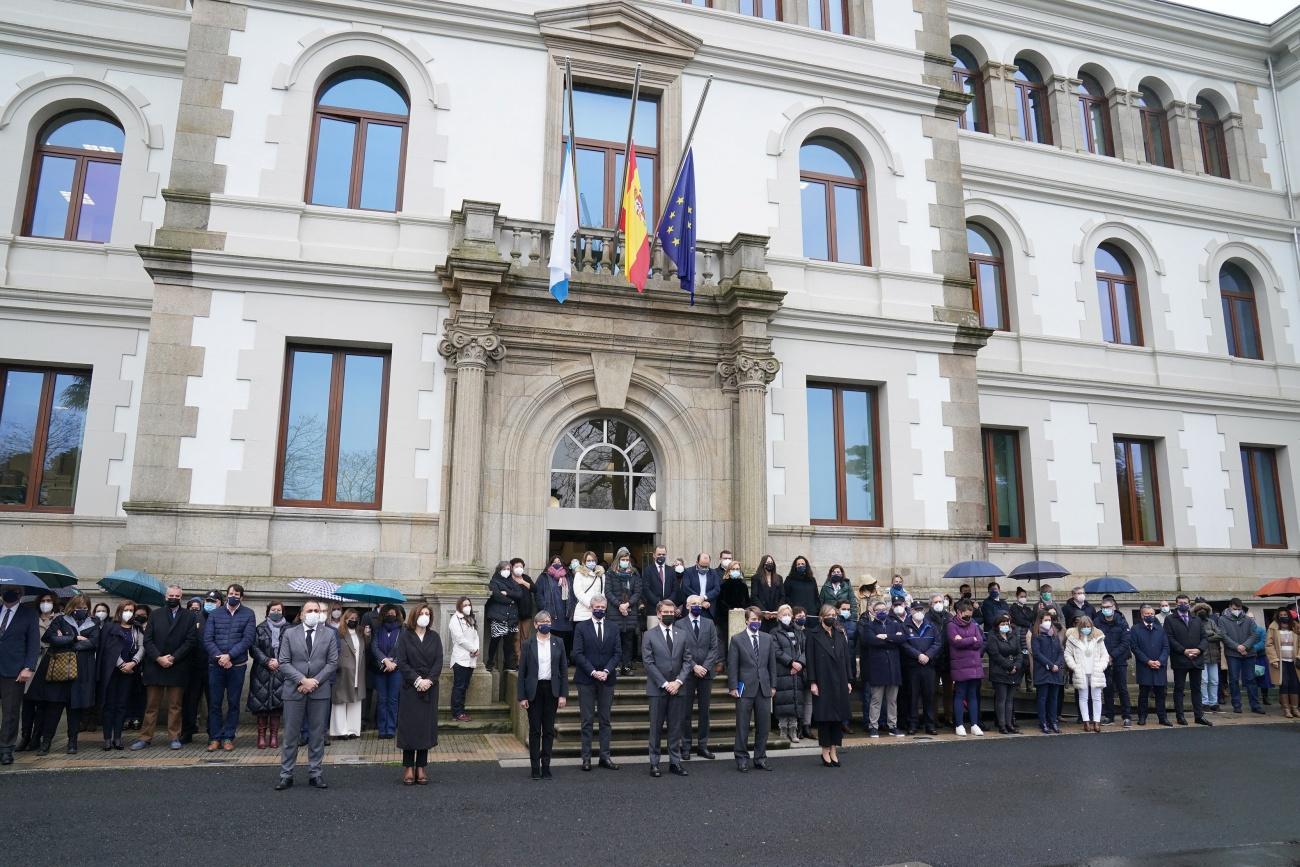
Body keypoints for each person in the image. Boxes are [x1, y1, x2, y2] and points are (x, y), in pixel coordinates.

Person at [274, 599, 338, 791]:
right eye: (309, 610)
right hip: (294, 690)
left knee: (317, 734)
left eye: (316, 610)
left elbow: (332, 663)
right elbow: (283, 662)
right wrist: (303, 680)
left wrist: (314, 682)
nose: (313, 613)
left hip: (320, 691)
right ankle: (286, 774)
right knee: (291, 735)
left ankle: (315, 773)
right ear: (301, 614)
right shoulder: (289, 633)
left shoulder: (329, 634)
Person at [29, 594, 99, 754]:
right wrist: (74, 638)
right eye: (78, 607)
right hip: (59, 671)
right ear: (72, 607)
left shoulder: (94, 622)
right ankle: (46, 743)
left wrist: (65, 640)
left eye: (85, 607)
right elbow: (49, 638)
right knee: (53, 708)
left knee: (75, 709)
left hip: (81, 672)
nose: (81, 610)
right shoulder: (60, 619)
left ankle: (72, 743)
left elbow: (93, 643)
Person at [202, 583, 256, 752]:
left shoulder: (248, 613)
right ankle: (215, 738)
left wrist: (230, 656)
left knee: (233, 703)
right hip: (216, 665)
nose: (234, 596)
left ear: (242, 597)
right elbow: (208, 639)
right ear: (226, 595)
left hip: (237, 665)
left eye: (237, 594)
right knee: (215, 703)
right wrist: (220, 657)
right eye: (231, 593)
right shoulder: (215, 613)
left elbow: (248, 639)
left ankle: (228, 737)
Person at [642, 599, 692, 777]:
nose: (669, 615)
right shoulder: (649, 635)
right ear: (658, 614)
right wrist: (665, 683)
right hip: (658, 689)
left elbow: (688, 661)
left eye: (672, 612)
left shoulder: (682, 634)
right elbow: (648, 663)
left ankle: (675, 762)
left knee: (675, 727)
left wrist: (678, 682)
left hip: (678, 689)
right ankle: (654, 763)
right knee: (655, 728)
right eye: (666, 612)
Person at [517, 609, 569, 780]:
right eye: (542, 622)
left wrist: (563, 695)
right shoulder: (527, 644)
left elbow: (563, 670)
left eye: (547, 621)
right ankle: (534, 767)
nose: (545, 624)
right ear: (536, 625)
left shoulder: (558, 642)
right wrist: (522, 696)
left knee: (548, 730)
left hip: (552, 690)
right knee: (534, 730)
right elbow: (522, 672)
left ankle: (546, 765)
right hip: (534, 690)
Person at [395, 602, 443, 786]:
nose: (425, 616)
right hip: (410, 687)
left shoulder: (435, 637)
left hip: (430, 688)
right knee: (409, 728)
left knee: (425, 728)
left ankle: (421, 766)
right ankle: (408, 767)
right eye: (422, 613)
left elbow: (439, 661)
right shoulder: (405, 637)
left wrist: (429, 680)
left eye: (427, 613)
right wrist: (417, 680)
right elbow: (402, 662)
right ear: (415, 616)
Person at [572, 594, 619, 771]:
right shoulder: (581, 628)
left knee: (605, 720)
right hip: (586, 679)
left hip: (607, 679)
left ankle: (605, 757)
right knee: (587, 720)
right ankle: (586, 758)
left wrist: (606, 671)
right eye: (596, 607)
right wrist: (593, 671)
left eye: (602, 607)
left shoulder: (613, 627)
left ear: (606, 608)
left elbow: (617, 653)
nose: (599, 610)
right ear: (591, 608)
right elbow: (577, 653)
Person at [728, 607, 778, 772]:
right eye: (753, 619)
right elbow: (733, 665)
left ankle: (760, 758)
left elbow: (772, 665)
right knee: (742, 725)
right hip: (744, 688)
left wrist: (773, 685)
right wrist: (733, 687)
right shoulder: (737, 639)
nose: (756, 622)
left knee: (763, 726)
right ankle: (741, 758)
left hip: (763, 688)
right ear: (746, 620)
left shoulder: (768, 638)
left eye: (758, 620)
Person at [806, 604, 852, 767]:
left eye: (834, 614)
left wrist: (848, 680)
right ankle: (825, 750)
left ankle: (834, 748)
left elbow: (846, 658)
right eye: (829, 614)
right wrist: (812, 682)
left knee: (838, 717)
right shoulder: (813, 634)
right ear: (821, 617)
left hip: (839, 680)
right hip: (823, 680)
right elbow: (810, 660)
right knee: (825, 718)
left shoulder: (839, 634)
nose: (832, 617)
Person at [0, 583, 40, 765]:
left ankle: (6, 749)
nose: (9, 593)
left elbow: (33, 644)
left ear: (21, 593)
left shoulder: (28, 614)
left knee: (10, 712)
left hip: (14, 671)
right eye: (5, 590)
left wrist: (28, 667)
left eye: (14, 591)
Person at [678, 593, 720, 760]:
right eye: (693, 603)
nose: (697, 606)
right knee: (685, 712)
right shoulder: (679, 624)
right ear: (687, 606)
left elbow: (714, 648)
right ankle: (686, 745)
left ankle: (703, 745)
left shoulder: (709, 624)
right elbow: (680, 649)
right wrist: (694, 666)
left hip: (706, 673)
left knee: (704, 711)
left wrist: (704, 666)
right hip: (687, 673)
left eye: (699, 603)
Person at [98, 601, 143, 750]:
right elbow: (108, 648)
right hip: (112, 671)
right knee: (109, 705)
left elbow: (142, 647)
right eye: (125, 610)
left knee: (122, 705)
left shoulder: (137, 628)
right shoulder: (110, 627)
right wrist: (122, 664)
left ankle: (117, 737)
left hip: (130, 671)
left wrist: (133, 663)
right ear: (119, 611)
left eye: (131, 610)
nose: (128, 612)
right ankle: (107, 738)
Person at [1165, 594, 1212, 726]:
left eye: (1185, 602)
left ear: (1189, 604)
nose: (1183, 605)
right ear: (1176, 604)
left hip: (1197, 659)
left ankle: (1199, 715)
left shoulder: (1196, 619)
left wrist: (1199, 649)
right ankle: (1180, 716)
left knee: (1196, 688)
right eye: (1180, 603)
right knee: (1179, 689)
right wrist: (1183, 651)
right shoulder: (1170, 619)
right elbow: (1169, 638)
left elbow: (1204, 637)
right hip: (1180, 659)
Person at [246, 600, 287, 751]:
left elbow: (292, 647)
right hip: (261, 671)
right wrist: (267, 661)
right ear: (268, 611)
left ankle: (274, 736)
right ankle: (261, 736)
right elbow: (254, 648)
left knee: (277, 706)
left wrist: (280, 661)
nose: (276, 612)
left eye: (279, 610)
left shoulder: (288, 629)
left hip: (281, 671)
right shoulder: (260, 628)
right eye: (273, 610)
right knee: (262, 706)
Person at [862, 598, 905, 737]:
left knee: (892, 700)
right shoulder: (869, 626)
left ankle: (892, 725)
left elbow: (901, 639)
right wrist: (891, 639)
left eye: (883, 610)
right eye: (878, 610)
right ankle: (873, 726)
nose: (881, 612)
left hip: (893, 668)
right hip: (878, 668)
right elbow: (871, 641)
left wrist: (885, 636)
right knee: (876, 700)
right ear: (873, 612)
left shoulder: (895, 624)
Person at [179, 592, 215, 744]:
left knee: (213, 702)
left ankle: (213, 733)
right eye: (208, 600)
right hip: (194, 667)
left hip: (213, 667)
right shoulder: (194, 618)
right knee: (190, 702)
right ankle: (187, 731)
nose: (210, 603)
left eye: (213, 601)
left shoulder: (219, 617)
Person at [902, 601, 942, 736]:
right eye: (916, 609)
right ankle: (913, 724)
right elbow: (904, 644)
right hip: (913, 666)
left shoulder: (931, 625)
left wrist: (928, 655)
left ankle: (929, 725)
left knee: (929, 696)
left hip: (928, 666)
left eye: (921, 609)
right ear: (911, 611)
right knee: (912, 696)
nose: (919, 612)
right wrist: (918, 655)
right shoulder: (905, 626)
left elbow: (937, 643)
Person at [1065, 616, 1109, 732]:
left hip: (1095, 671)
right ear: (1079, 627)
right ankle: (1086, 721)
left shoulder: (1098, 637)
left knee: (1097, 698)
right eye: (1084, 627)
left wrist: (1101, 666)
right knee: (1083, 698)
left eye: (1088, 627)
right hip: (1081, 672)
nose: (1086, 629)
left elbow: (1105, 654)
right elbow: (1068, 654)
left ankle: (1096, 721)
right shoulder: (1073, 638)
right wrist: (1074, 667)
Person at [1220, 597, 1263, 715]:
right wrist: (1237, 647)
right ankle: (1237, 705)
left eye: (1239, 608)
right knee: (1234, 680)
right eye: (1235, 608)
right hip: (1233, 654)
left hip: (1249, 653)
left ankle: (1255, 705)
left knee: (1251, 679)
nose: (1237, 610)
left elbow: (1254, 634)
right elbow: (1224, 636)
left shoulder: (1248, 619)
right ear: (1230, 607)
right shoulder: (1222, 619)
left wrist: (1245, 646)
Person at [947, 600, 984, 736]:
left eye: (970, 615)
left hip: (974, 665)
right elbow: (956, 643)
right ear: (959, 612)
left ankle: (974, 724)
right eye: (966, 615)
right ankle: (959, 725)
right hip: (960, 665)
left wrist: (966, 640)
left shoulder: (974, 625)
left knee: (973, 695)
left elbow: (979, 641)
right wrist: (971, 639)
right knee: (960, 694)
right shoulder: (951, 625)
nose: (969, 618)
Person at [1131, 604, 1171, 726]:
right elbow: (1135, 648)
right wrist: (1147, 661)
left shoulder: (1160, 629)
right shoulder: (1136, 629)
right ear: (1142, 615)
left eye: (1152, 614)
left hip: (1159, 666)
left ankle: (1162, 717)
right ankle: (1142, 717)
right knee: (1144, 694)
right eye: (1147, 614)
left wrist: (1160, 660)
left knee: (1160, 694)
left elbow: (1166, 647)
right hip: (1144, 666)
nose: (1150, 616)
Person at [1095, 596, 1132, 727]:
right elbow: (1095, 641)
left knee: (1122, 688)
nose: (1106, 610)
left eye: (1108, 607)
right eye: (1103, 607)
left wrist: (1112, 656)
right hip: (1104, 661)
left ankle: (1127, 716)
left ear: (1114, 608)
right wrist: (1105, 657)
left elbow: (1125, 641)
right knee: (1107, 689)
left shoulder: (1122, 622)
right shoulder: (1097, 622)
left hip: (1119, 660)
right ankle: (1109, 716)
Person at [771, 604, 805, 743]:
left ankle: (794, 730)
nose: (786, 617)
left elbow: (804, 649)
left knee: (796, 700)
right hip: (783, 670)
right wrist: (791, 662)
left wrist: (799, 664)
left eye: (788, 614)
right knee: (783, 701)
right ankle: (783, 729)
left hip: (797, 671)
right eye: (783, 614)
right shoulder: (774, 632)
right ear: (778, 616)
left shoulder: (798, 631)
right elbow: (776, 651)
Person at [330, 609, 366, 739]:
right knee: (340, 701)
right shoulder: (338, 633)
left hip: (358, 671)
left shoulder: (360, 633)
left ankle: (352, 730)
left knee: (355, 701)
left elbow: (365, 648)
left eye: (356, 618)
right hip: (342, 672)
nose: (353, 620)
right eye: (351, 618)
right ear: (345, 619)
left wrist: (368, 635)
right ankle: (340, 731)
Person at [605, 547, 641, 677]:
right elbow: (608, 592)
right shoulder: (610, 573)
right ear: (618, 560)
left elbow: (637, 592)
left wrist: (627, 604)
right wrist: (620, 605)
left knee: (628, 641)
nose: (625, 561)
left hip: (630, 612)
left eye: (627, 559)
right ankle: (616, 667)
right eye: (623, 559)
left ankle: (626, 666)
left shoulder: (634, 573)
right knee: (616, 641)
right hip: (615, 612)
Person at [485, 560, 525, 672]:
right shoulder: (494, 581)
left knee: (509, 643)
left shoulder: (513, 582)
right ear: (499, 570)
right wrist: (512, 600)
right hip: (498, 616)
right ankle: (490, 662)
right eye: (504, 569)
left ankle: (509, 664)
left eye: (508, 569)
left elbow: (519, 594)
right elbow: (497, 596)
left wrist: (507, 593)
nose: (506, 571)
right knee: (495, 641)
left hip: (511, 617)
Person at [370, 604, 403, 739]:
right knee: (382, 699)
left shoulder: (403, 630)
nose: (391, 615)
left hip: (396, 670)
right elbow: (374, 647)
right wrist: (385, 660)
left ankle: (391, 729)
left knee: (393, 700)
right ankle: (382, 729)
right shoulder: (378, 629)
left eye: (393, 613)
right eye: (388, 613)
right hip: (380, 669)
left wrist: (394, 663)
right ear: (383, 614)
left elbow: (404, 648)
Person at [986, 613, 1022, 734]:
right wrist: (1009, 666)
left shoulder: (1013, 636)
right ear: (997, 625)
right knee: (1001, 699)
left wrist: (1016, 666)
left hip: (1013, 672)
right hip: (999, 672)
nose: (1005, 626)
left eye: (1007, 624)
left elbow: (1019, 653)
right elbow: (995, 655)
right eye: (1003, 624)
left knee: (1010, 700)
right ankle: (1002, 725)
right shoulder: (992, 637)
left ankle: (1009, 723)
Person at [1032, 610, 1066, 733]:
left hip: (1055, 672)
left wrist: (1057, 664)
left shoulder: (1054, 634)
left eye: (1049, 620)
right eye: (1045, 620)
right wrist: (1050, 665)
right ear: (1040, 621)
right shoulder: (1036, 635)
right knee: (1042, 698)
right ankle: (1043, 722)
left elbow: (1060, 651)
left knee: (1053, 698)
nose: (1048, 622)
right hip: (1043, 671)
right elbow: (1036, 653)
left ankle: (1053, 721)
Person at [534, 557, 574, 657]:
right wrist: (544, 608)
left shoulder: (568, 576)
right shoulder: (544, 576)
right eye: (554, 562)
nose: (557, 563)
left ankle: (564, 660)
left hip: (566, 614)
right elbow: (538, 593)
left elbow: (574, 593)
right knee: (551, 639)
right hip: (550, 613)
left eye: (559, 561)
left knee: (565, 639)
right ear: (550, 564)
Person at [447, 597, 480, 722]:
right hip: (460, 659)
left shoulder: (471, 619)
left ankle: (461, 710)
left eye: (469, 604)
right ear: (459, 606)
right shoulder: (454, 620)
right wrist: (473, 649)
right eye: (464, 604)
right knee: (459, 686)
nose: (467, 607)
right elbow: (460, 639)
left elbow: (475, 636)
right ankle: (457, 713)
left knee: (464, 686)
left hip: (470, 659)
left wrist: (476, 649)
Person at [927, 593, 955, 726]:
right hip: (933, 659)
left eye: (940, 601)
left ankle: (948, 716)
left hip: (947, 658)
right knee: (933, 692)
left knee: (948, 691)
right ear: (930, 604)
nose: (938, 604)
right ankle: (934, 718)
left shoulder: (949, 617)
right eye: (936, 602)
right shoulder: (927, 618)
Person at [1265, 610, 1299, 717]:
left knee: (1294, 684)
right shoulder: (1273, 628)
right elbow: (1269, 645)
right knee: (1284, 684)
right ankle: (1286, 709)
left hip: (1294, 662)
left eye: (1285, 615)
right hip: (1280, 661)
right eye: (1281, 615)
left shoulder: (1296, 627)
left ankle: (1295, 708)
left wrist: (1299, 657)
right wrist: (1273, 659)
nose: (1283, 617)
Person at [1193, 600, 1223, 713]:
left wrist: (1206, 636)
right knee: (1204, 680)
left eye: (1204, 610)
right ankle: (1204, 702)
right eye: (1199, 610)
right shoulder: (1194, 622)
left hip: (1214, 655)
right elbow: (1197, 637)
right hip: (1201, 655)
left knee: (1214, 680)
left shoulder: (1211, 621)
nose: (1202, 612)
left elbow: (1220, 635)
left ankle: (1213, 702)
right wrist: (1210, 634)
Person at [642, 546, 678, 630]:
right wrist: (658, 603)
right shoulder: (648, 570)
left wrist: (668, 602)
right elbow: (646, 589)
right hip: (653, 610)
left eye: (663, 554)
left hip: (669, 610)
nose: (661, 556)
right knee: (653, 636)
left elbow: (675, 589)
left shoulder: (671, 570)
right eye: (659, 554)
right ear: (654, 555)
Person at [677, 553, 719, 619]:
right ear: (697, 562)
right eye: (702, 566)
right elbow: (686, 588)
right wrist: (700, 601)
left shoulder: (713, 573)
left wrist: (704, 597)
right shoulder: (688, 572)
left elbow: (716, 589)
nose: (704, 569)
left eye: (706, 566)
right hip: (691, 608)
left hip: (708, 609)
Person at [509, 558, 537, 656]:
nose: (519, 568)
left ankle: (525, 659)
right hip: (513, 613)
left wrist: (523, 582)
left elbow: (534, 589)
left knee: (525, 637)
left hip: (526, 613)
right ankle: (517, 661)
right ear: (512, 567)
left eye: (521, 566)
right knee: (516, 638)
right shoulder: (508, 578)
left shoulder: (526, 577)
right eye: (517, 566)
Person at [718, 561, 752, 636]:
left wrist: (743, 609)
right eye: (733, 569)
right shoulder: (723, 586)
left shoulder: (743, 586)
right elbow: (721, 603)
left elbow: (748, 602)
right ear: (729, 571)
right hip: (727, 619)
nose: (735, 571)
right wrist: (731, 610)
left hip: (742, 617)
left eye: (737, 569)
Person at [751, 555, 784, 633]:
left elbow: (782, 596)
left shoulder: (779, 578)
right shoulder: (756, 578)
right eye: (768, 562)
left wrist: (777, 611)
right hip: (762, 615)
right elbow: (754, 596)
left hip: (775, 615)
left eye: (771, 562)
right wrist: (763, 612)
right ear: (763, 564)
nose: (770, 564)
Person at [573, 551, 606, 627]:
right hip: (582, 612)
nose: (591, 562)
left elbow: (603, 592)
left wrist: (600, 606)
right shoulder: (579, 574)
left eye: (593, 560)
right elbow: (578, 592)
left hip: (598, 612)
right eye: (588, 561)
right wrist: (591, 604)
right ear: (584, 562)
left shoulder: (601, 575)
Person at [783, 556, 819, 627]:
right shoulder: (789, 579)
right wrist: (793, 608)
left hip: (811, 614)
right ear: (795, 567)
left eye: (802, 564)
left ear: (806, 566)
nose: (800, 566)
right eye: (798, 564)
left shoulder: (812, 580)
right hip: (797, 614)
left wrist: (816, 609)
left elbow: (816, 596)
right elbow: (785, 596)